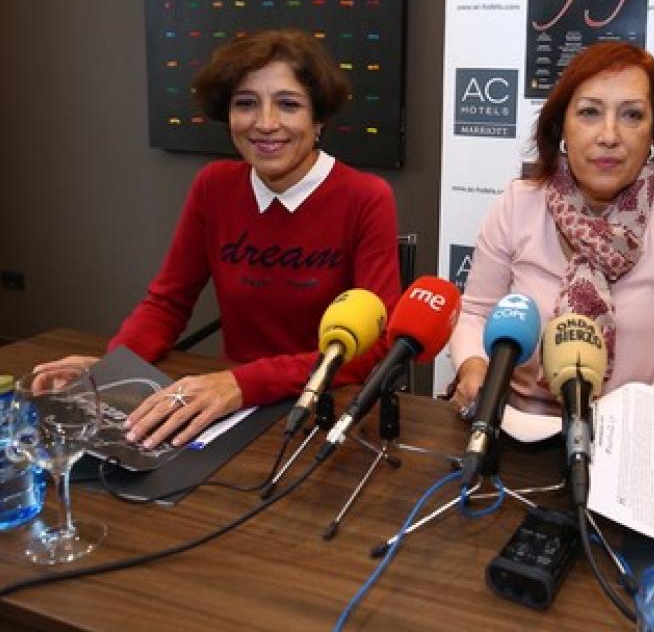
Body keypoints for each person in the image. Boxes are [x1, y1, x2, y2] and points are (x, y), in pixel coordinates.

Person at [37, 29, 401, 448]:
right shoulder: (214, 187)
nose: (265, 123)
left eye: (288, 104)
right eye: (246, 103)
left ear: (318, 120)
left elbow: (376, 348)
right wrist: (114, 368)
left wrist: (240, 383)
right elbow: (167, 304)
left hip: (323, 412)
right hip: (226, 407)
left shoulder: (365, 197)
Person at [448, 42, 654, 417]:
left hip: (629, 433)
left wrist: (635, 414)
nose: (609, 135)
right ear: (561, 125)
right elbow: (475, 315)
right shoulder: (518, 204)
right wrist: (474, 367)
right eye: (589, 113)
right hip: (513, 424)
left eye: (632, 115)